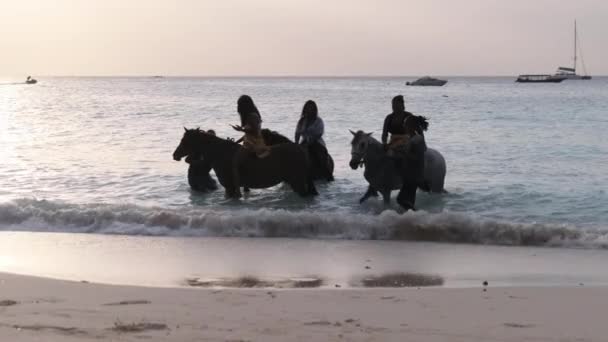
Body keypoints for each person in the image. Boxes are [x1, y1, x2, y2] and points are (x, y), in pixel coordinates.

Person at [230, 95, 269, 198]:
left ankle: (238, 191)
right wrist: (237, 141)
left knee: (234, 163)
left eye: (239, 105)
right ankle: (246, 187)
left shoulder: (252, 116)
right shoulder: (252, 115)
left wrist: (241, 130)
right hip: (250, 143)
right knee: (242, 162)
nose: (237, 107)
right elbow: (248, 135)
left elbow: (255, 131)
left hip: (253, 145)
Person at [395, 115, 428, 211]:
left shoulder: (417, 139)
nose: (404, 126)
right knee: (408, 201)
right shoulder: (412, 138)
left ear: (412, 126)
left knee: (400, 199)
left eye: (406, 124)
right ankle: (413, 220)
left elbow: (418, 157)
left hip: (413, 175)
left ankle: (416, 215)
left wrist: (405, 153)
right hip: (410, 175)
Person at [295, 100, 333, 181]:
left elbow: (319, 133)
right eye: (307, 108)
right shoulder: (302, 121)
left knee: (320, 155)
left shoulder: (318, 121)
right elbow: (297, 133)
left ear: (314, 110)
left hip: (317, 142)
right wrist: (296, 143)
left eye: (311, 109)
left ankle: (328, 174)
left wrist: (311, 142)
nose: (309, 111)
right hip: (304, 142)